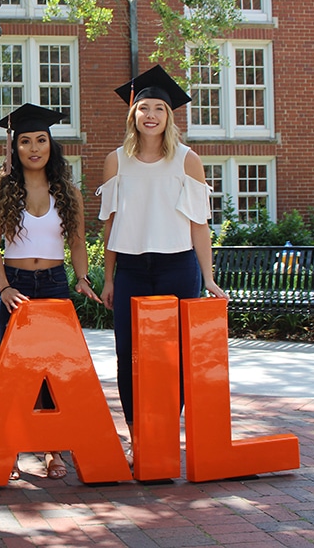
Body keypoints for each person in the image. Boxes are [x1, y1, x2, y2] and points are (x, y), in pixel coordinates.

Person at [96, 65, 227, 459]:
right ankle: (139, 441)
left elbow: (199, 225)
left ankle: (166, 432)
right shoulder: (116, 161)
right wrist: (108, 278)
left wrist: (208, 278)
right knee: (128, 354)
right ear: (132, 114)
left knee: (176, 356)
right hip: (133, 270)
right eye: (143, 108)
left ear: (169, 116)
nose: (150, 115)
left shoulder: (188, 161)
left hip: (178, 267)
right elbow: (111, 226)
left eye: (158, 108)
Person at [0, 103, 102, 481]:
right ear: (14, 148)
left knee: (52, 371)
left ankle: (53, 449)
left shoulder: (66, 192)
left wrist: (82, 278)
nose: (34, 148)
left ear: (51, 144)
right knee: (13, 373)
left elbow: (79, 242)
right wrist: (3, 288)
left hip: (54, 285)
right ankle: (11, 450)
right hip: (16, 285)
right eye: (25, 141)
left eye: (41, 140)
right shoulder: (1, 192)